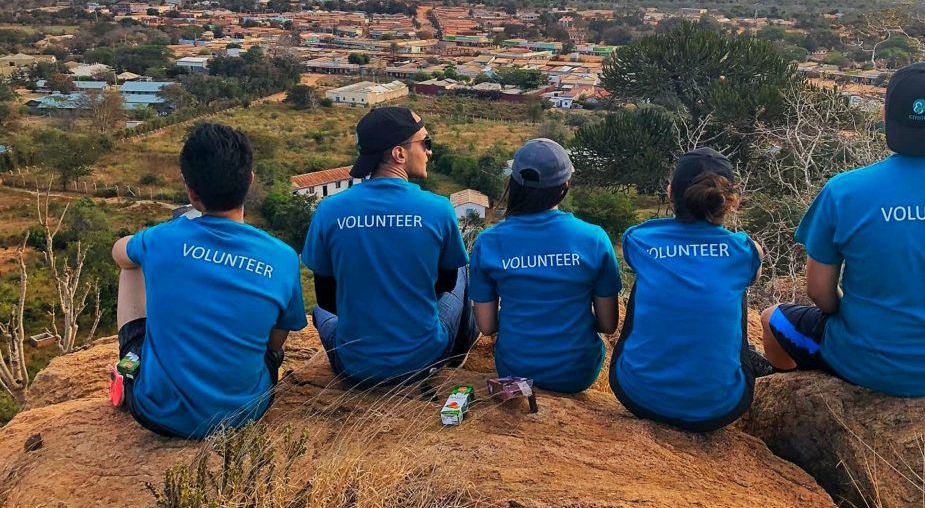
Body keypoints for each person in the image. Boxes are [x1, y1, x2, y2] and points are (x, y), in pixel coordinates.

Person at [761, 62, 925, 396]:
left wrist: (862, 320)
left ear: (885, 116)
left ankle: (779, 390)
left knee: (772, 317)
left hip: (866, 364)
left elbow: (819, 294)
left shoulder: (844, 191)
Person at [110, 123, 307, 439]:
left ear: (190, 191)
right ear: (249, 180)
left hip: (159, 413)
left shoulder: (161, 239)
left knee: (131, 267)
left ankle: (129, 366)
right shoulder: (282, 256)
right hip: (246, 411)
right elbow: (274, 343)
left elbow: (120, 253)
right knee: (268, 350)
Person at [302, 106, 475, 385]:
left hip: (354, 365)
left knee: (318, 310)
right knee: (462, 267)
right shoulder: (438, 209)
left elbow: (326, 299)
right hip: (422, 358)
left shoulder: (329, 210)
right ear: (399, 153)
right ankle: (457, 356)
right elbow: (444, 285)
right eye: (425, 143)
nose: (429, 152)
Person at [609, 148, 764, 432]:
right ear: (730, 202)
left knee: (651, 278)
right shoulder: (746, 250)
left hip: (638, 394)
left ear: (670, 192)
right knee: (732, 281)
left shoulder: (638, 240)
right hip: (721, 407)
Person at [469, 139, 621, 393]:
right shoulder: (594, 239)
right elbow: (608, 325)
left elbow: (486, 326)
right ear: (565, 186)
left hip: (514, 368)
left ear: (515, 184)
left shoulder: (488, 242)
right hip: (578, 373)